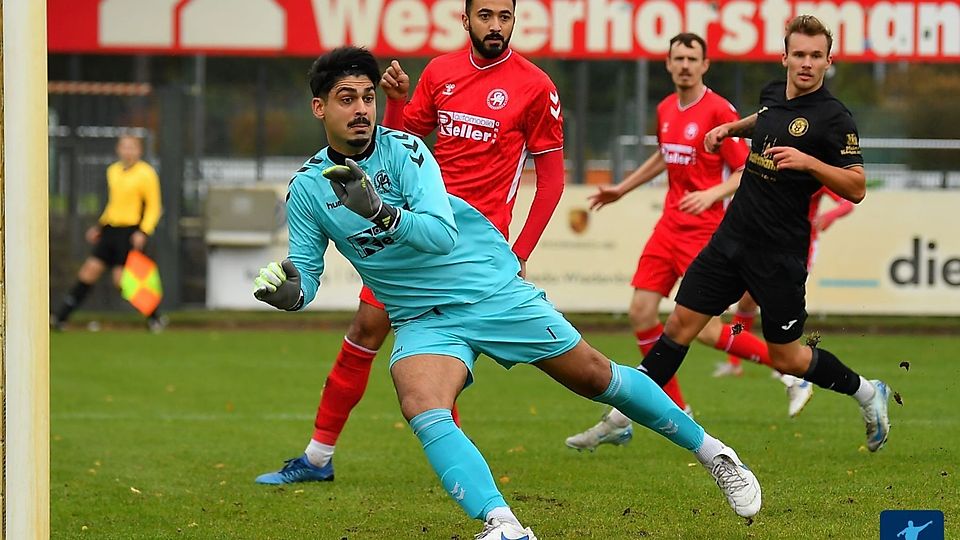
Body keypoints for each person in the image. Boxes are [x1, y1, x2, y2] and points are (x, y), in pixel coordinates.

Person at [253, 45, 760, 539]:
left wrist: (381, 212)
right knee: (421, 401)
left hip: (488, 289)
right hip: (422, 318)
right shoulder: (308, 188)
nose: (362, 109)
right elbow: (306, 274)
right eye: (347, 99)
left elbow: (440, 235)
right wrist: (291, 292)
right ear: (319, 108)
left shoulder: (407, 152)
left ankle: (714, 453)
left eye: (368, 97)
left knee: (595, 375)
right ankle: (503, 524)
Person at [255, 0, 566, 485]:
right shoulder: (440, 72)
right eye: (485, 15)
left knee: (442, 350)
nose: (495, 25)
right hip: (412, 228)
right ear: (466, 19)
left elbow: (551, 181)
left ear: (514, 19)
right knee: (368, 331)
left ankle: (446, 465)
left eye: (504, 16)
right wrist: (399, 102)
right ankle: (319, 457)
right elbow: (400, 141)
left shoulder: (535, 85)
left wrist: (519, 251)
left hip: (472, 244)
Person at [636, 15, 891, 453]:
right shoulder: (773, 93)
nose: (806, 63)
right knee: (678, 325)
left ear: (828, 61)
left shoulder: (834, 118)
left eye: (816, 56)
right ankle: (623, 414)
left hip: (779, 254)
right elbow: (769, 118)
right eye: (799, 54)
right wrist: (731, 129)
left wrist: (810, 163)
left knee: (787, 357)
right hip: (731, 239)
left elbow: (857, 186)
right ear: (784, 57)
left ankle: (867, 392)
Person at [564, 32, 809, 452]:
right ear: (668, 63)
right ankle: (677, 408)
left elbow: (748, 168)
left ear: (704, 65)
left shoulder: (718, 110)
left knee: (708, 331)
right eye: (678, 58)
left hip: (705, 230)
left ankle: (792, 372)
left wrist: (712, 194)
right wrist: (621, 188)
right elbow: (665, 154)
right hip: (669, 226)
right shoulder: (665, 108)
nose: (684, 65)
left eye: (692, 59)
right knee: (641, 311)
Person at [715, 186, 854, 381]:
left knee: (781, 303)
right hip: (768, 243)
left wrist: (829, 216)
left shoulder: (816, 174)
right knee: (746, 302)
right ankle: (734, 363)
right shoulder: (774, 171)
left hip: (800, 248)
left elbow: (847, 203)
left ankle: (789, 361)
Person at [52, 134, 167, 333]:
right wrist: (100, 226)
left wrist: (143, 231)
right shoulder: (113, 171)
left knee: (121, 280)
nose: (128, 151)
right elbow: (114, 204)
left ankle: (155, 317)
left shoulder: (146, 174)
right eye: (124, 147)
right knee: (89, 271)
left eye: (132, 147)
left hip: (130, 232)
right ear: (118, 149)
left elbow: (154, 207)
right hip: (111, 230)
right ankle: (61, 318)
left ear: (139, 151)